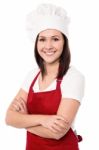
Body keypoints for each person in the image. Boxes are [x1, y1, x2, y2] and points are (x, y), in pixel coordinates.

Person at [5, 3, 85, 150]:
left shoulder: (73, 77)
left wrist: (24, 120)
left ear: (64, 42)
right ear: (36, 43)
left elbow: (58, 133)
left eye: (55, 39)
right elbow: (9, 118)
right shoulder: (32, 75)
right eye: (42, 39)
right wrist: (44, 120)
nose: (48, 46)